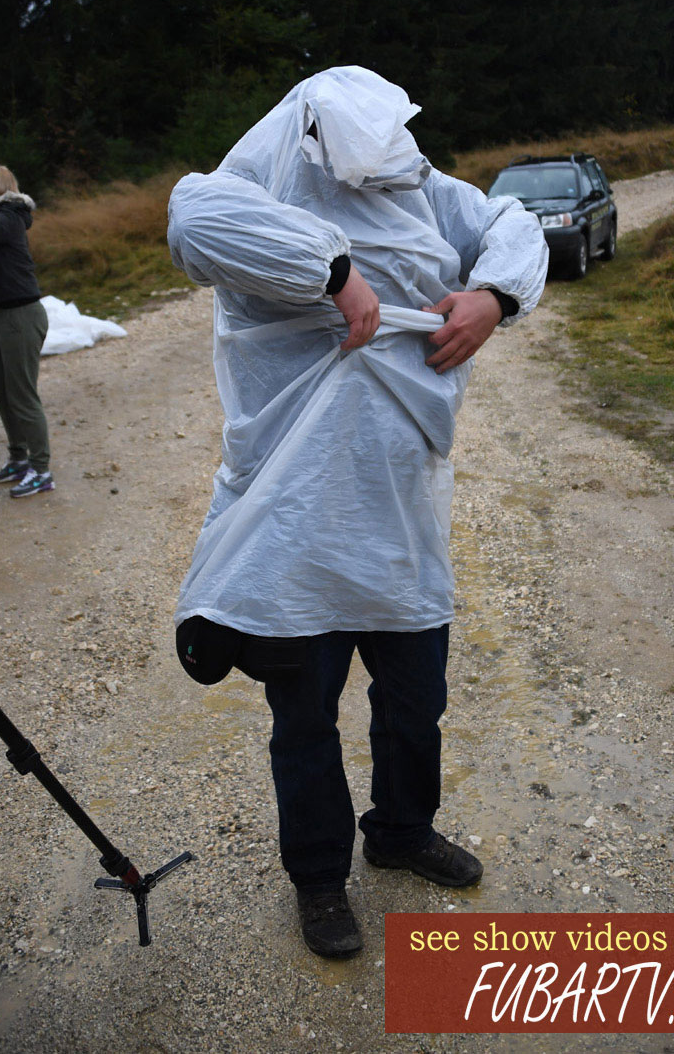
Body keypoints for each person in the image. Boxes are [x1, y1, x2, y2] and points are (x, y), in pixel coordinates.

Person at [167, 66, 548, 957]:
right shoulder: (259, 191)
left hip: (402, 516)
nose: (368, 181)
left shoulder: (417, 185)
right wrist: (333, 271)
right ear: (309, 136)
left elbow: (511, 222)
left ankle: (403, 831)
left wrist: (493, 296)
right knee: (303, 719)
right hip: (296, 527)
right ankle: (318, 879)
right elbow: (192, 214)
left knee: (417, 702)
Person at [0, 161, 54, 497]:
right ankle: (19, 459)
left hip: (21, 316)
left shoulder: (9, 217)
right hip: (1, 316)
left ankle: (42, 469)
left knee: (22, 396)